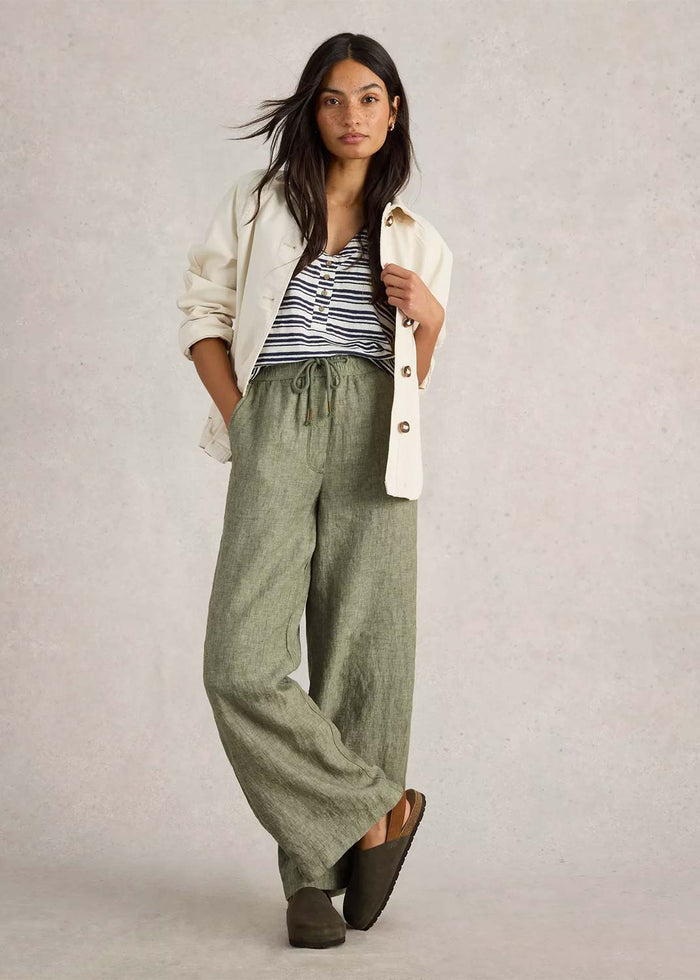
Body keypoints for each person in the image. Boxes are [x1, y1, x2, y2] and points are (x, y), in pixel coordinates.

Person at [176, 32, 453, 948]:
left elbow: (415, 374)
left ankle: (311, 884)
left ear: (393, 112)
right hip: (278, 414)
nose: (352, 116)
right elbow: (203, 312)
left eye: (370, 99)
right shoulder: (260, 203)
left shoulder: (415, 237)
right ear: (312, 109)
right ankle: (374, 809)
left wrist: (432, 320)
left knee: (366, 652)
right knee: (239, 660)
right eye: (335, 99)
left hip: (375, 426)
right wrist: (245, 417)